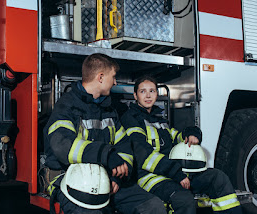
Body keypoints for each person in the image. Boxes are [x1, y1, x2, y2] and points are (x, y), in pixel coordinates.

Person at [43, 54, 166, 214]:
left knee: (153, 206)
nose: (115, 82)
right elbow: (63, 146)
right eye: (113, 77)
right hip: (70, 180)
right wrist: (106, 155)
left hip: (106, 179)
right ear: (100, 77)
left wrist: (117, 177)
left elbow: (124, 147)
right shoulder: (66, 106)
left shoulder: (108, 109)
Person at [120, 74, 242, 214]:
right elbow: (142, 153)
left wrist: (191, 134)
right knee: (183, 199)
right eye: (143, 91)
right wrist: (176, 173)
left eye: (152, 91)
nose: (148, 95)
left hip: (174, 173)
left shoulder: (159, 119)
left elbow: (177, 136)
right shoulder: (130, 119)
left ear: (157, 94)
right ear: (135, 96)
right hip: (150, 176)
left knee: (218, 178)